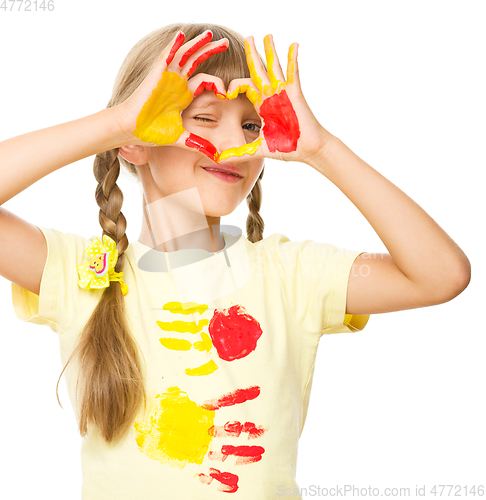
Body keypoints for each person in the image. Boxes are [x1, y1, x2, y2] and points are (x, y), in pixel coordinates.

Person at [0, 22, 471, 500]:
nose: (233, 142)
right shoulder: (84, 272)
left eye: (251, 125)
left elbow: (442, 275)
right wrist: (117, 123)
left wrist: (321, 150)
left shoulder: (290, 275)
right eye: (204, 118)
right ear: (140, 137)